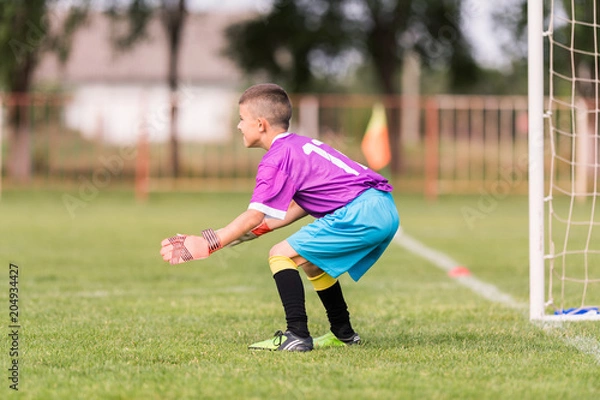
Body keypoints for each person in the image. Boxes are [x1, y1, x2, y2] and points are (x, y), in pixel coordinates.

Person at [160, 83, 399, 352]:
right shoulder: (300, 145)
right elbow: (297, 208)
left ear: (260, 124)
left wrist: (209, 243)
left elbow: (254, 215)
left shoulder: (276, 158)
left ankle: (297, 335)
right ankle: (343, 334)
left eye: (242, 120)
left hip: (361, 211)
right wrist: (237, 237)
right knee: (311, 264)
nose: (239, 126)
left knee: (280, 254)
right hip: (382, 207)